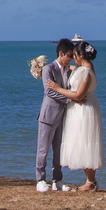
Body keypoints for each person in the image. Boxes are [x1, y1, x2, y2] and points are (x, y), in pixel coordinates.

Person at [45, 40, 103, 191]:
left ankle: (90, 182)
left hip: (84, 109)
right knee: (82, 142)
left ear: (81, 55)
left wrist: (57, 88)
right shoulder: (83, 68)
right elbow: (68, 67)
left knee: (86, 142)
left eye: (75, 54)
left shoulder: (86, 72)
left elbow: (78, 95)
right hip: (80, 110)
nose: (73, 58)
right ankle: (90, 181)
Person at [36, 38, 75, 192]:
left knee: (58, 150)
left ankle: (57, 180)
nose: (71, 58)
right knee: (43, 150)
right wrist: (69, 99)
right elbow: (49, 92)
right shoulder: (48, 69)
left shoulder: (68, 69)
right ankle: (40, 179)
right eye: (69, 55)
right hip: (48, 115)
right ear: (61, 53)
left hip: (62, 117)